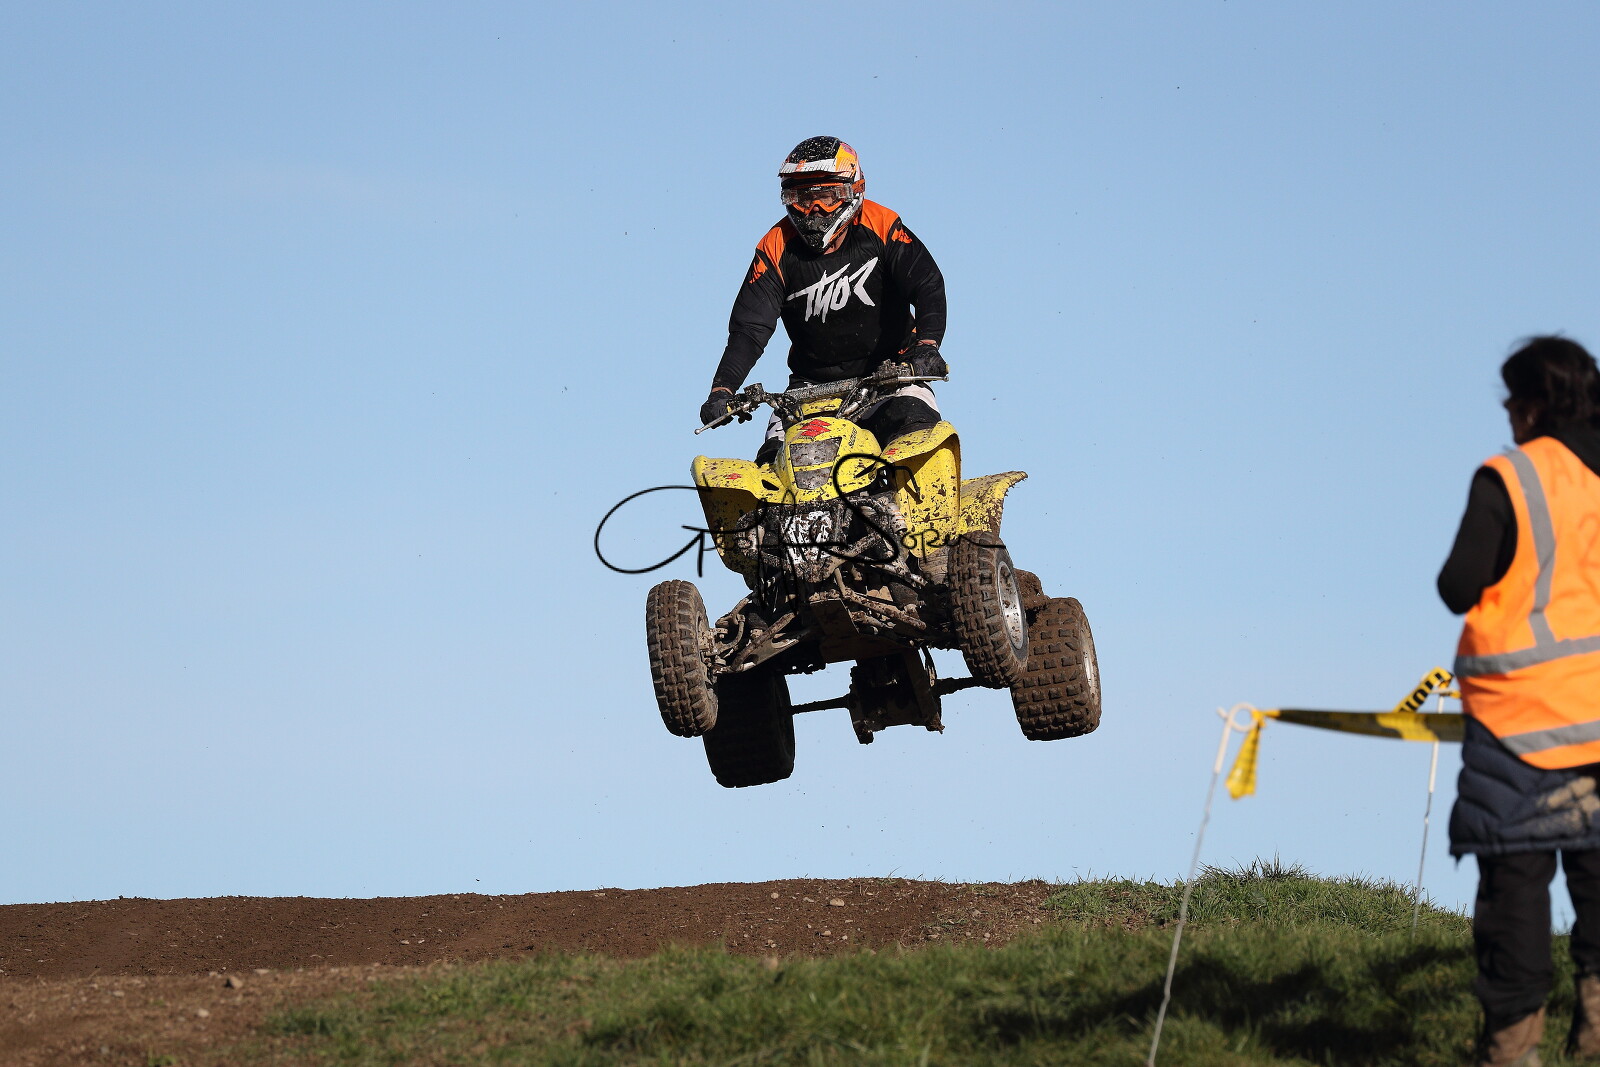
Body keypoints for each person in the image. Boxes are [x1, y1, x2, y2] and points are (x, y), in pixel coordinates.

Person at [1442, 336, 1600, 1066]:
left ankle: (1513, 1045)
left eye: (1513, 394)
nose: (1506, 408)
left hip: (1521, 722)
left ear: (1537, 403)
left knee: (1516, 887)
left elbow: (1458, 585)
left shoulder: (1513, 476)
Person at [699, 137, 949, 464]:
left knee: (921, 446)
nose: (814, 209)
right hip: (810, 389)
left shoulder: (882, 224)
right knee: (771, 468)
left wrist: (928, 346)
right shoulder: (775, 246)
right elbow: (749, 329)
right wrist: (722, 390)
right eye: (803, 198)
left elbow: (927, 284)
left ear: (853, 191)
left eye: (827, 196)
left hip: (895, 377)